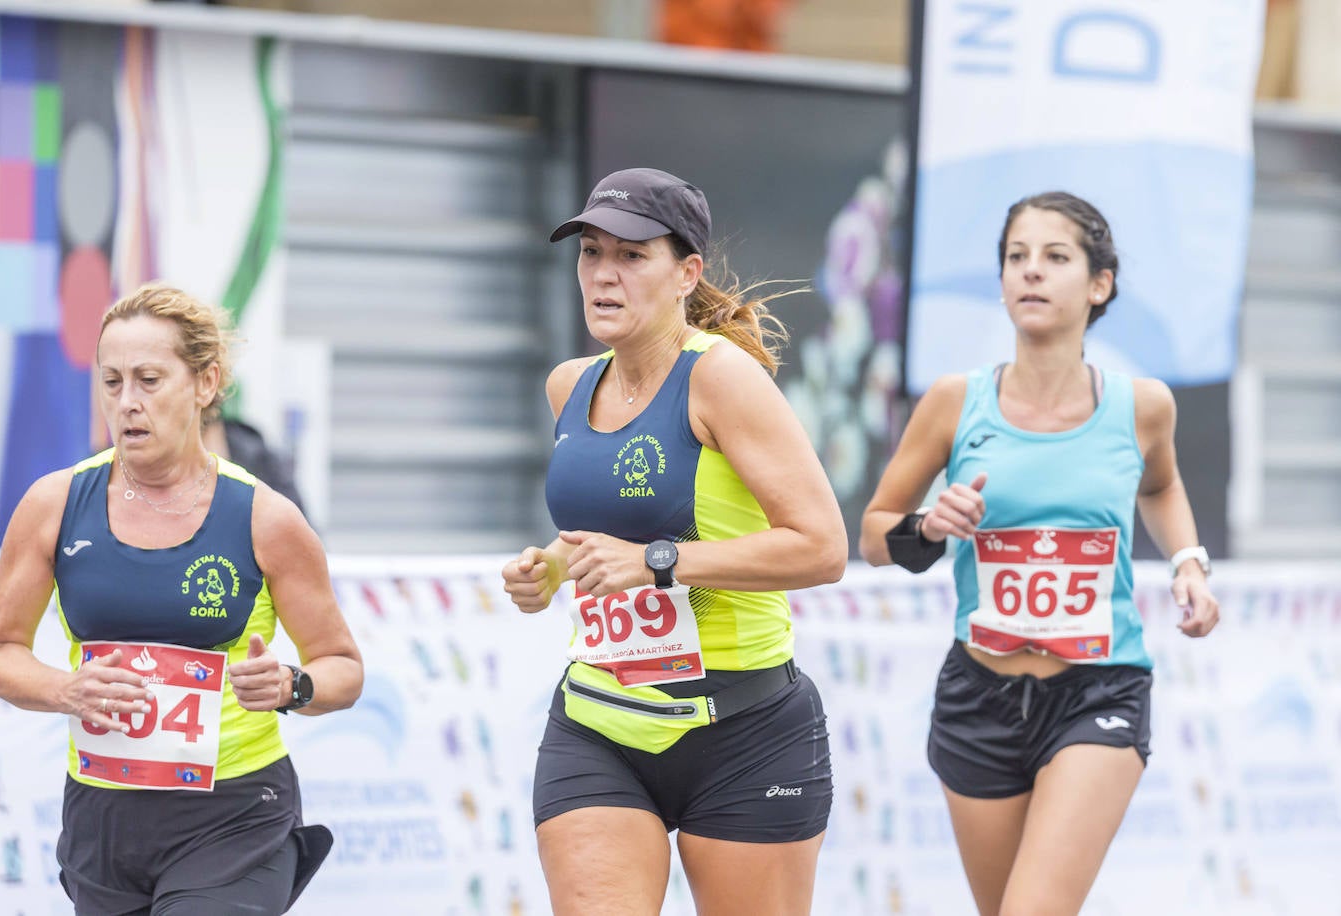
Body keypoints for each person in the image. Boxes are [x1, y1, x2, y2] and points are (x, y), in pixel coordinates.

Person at [858, 191, 1221, 916]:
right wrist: (930, 525)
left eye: (1055, 257)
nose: (1031, 271)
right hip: (979, 697)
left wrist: (1188, 561)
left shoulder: (1142, 405)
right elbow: (874, 534)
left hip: (1098, 691)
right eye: (1016, 257)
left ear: (1098, 285)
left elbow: (1163, 483)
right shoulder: (955, 402)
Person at [502, 167, 848, 915]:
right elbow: (606, 533)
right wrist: (551, 567)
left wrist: (657, 564)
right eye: (591, 252)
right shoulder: (570, 384)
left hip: (743, 728)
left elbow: (822, 548)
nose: (603, 274)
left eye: (631, 256)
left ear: (687, 272)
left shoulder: (724, 381)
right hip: (600, 721)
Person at [0, 283, 363, 915]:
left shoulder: (267, 518)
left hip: (232, 816)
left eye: (149, 380)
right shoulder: (55, 503)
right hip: (104, 816)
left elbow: (343, 668)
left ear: (206, 384)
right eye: (112, 382)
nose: (127, 403)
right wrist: (63, 690)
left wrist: (292, 685)